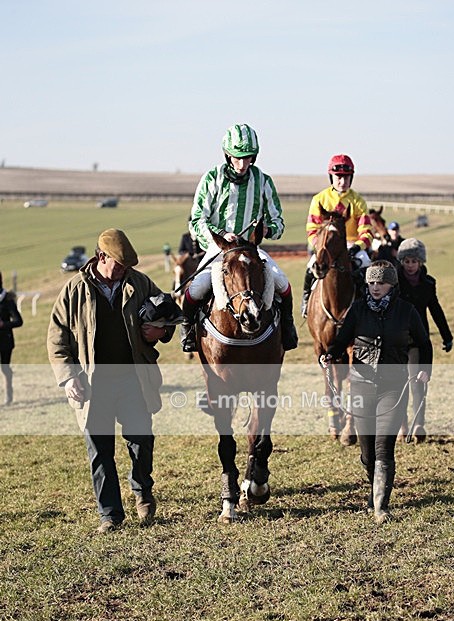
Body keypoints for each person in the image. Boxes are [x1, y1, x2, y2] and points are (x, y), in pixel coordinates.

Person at [47, 228, 176, 533]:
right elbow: (56, 339)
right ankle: (110, 515)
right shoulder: (73, 290)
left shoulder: (139, 282)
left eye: (126, 266)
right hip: (92, 385)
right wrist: (67, 379)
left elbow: (170, 312)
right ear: (100, 257)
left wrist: (160, 331)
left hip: (134, 379)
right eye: (117, 265)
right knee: (99, 449)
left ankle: (143, 492)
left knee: (141, 441)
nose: (122, 271)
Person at [322, 261, 432, 524]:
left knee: (384, 446)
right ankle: (373, 490)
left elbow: (423, 343)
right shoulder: (358, 309)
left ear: (391, 284)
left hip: (394, 387)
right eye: (371, 283)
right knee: (367, 451)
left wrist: (424, 369)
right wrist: (330, 354)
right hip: (361, 384)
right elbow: (342, 339)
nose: (375, 287)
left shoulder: (407, 311)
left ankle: (381, 505)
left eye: (380, 283)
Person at [180, 123, 298, 353]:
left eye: (248, 158)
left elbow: (278, 222)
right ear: (227, 154)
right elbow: (196, 220)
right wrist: (223, 235)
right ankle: (188, 332)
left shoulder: (263, 181)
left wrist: (266, 230)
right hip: (219, 250)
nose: (243, 164)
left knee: (282, 283)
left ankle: (288, 328)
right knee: (196, 289)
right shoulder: (211, 179)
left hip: (251, 250)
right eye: (238, 158)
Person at [396, 237, 453, 442]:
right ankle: (402, 425)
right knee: (397, 384)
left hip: (418, 341)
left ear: (421, 262)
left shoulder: (428, 284)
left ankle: (418, 423)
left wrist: (447, 336)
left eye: (414, 261)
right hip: (396, 341)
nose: (410, 265)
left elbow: (436, 310)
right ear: (401, 261)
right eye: (406, 261)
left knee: (417, 382)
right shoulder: (393, 282)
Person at [302, 154, 374, 317]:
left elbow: (367, 231)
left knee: (367, 268)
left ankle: (369, 308)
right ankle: (306, 301)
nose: (342, 182)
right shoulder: (319, 199)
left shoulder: (358, 201)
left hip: (351, 246)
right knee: (311, 267)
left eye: (346, 178)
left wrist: (357, 247)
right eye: (338, 177)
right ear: (331, 177)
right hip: (325, 245)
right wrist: (319, 246)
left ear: (351, 178)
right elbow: (312, 229)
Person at [0, 271, 23, 405]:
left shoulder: (7, 301)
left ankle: (9, 392)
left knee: (4, 368)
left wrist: (3, 324)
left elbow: (19, 321)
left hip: (5, 341)